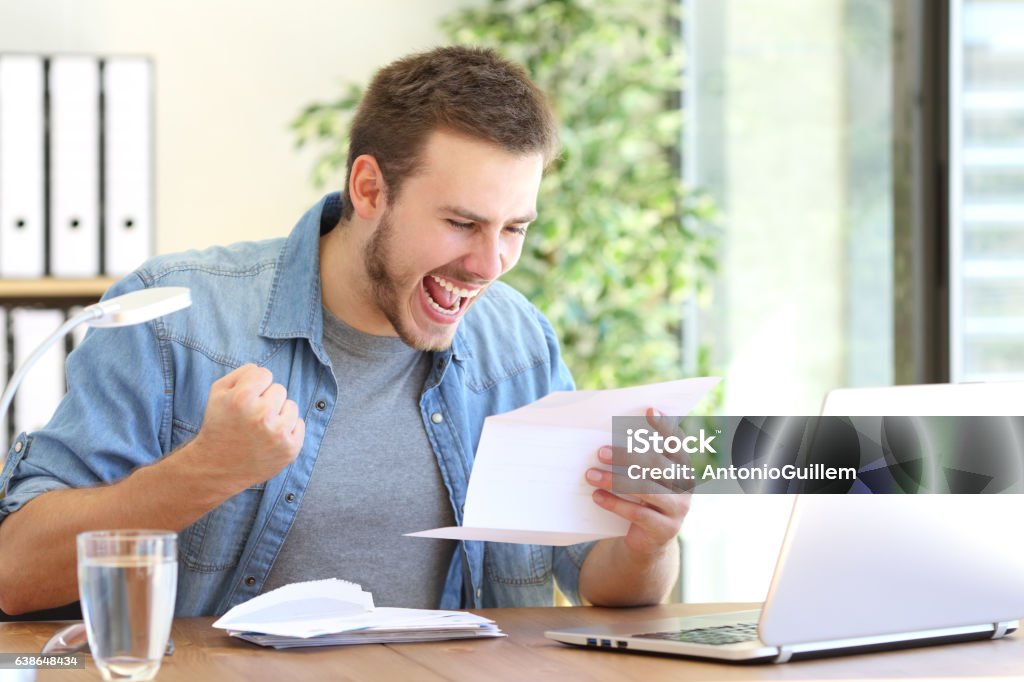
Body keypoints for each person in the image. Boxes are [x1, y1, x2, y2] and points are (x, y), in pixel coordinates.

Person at [0, 46, 686, 617]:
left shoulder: (518, 343)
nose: (489, 265)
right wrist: (204, 473)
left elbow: (598, 577)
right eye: (462, 223)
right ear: (368, 189)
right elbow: (14, 573)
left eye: (515, 229)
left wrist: (648, 542)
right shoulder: (172, 321)